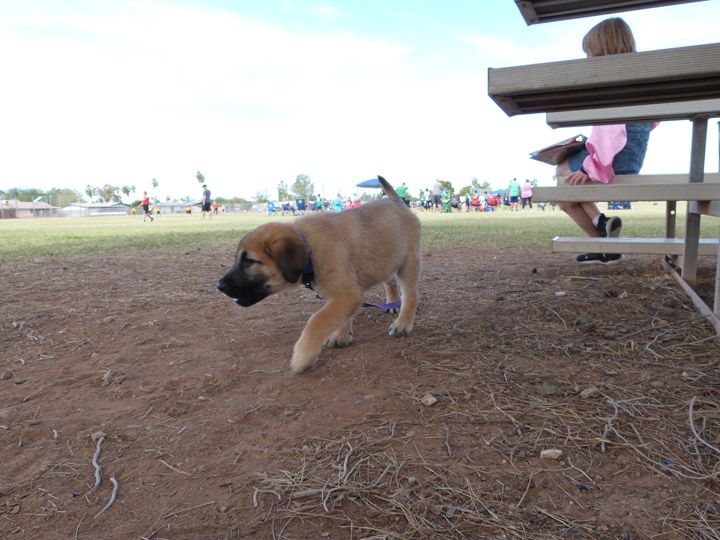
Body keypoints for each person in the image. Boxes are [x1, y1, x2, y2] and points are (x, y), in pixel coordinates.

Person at [556, 17, 658, 265]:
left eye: (589, 52)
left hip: (613, 158)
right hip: (633, 158)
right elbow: (651, 122)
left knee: (562, 177)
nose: (587, 58)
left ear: (601, 50)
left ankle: (602, 244)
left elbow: (608, 132)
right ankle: (602, 227)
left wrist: (588, 165)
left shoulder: (612, 80)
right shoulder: (643, 78)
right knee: (569, 184)